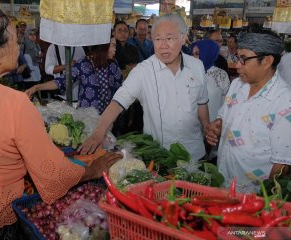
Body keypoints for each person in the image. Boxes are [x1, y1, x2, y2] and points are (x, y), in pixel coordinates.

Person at [0, 4, 122, 239]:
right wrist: (93, 170)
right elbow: (51, 174)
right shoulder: (15, 103)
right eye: (13, 39)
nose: (19, 45)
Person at [79, 15, 210, 162]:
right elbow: (117, 103)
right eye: (158, 39)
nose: (163, 45)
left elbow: (201, 103)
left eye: (169, 38)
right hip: (161, 159)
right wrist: (99, 132)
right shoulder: (143, 71)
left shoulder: (197, 66)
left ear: (183, 37)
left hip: (195, 154)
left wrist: (206, 126)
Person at [205, 32, 291, 193]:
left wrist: (267, 199)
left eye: (243, 59)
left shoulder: (284, 103)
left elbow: (282, 165)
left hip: (253, 196)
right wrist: (217, 125)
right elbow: (223, 116)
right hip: (223, 180)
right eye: (237, 58)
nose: (237, 65)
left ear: (267, 61)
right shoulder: (237, 84)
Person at [25, 37, 123, 115]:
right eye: (113, 45)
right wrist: (37, 87)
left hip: (107, 117)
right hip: (87, 118)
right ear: (104, 48)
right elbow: (60, 82)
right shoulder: (83, 64)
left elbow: (120, 89)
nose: (115, 49)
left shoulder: (113, 65)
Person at [190, 39, 230, 121]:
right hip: (191, 126)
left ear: (207, 53)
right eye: (192, 54)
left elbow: (226, 103)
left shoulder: (220, 75)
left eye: (197, 54)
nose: (193, 58)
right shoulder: (187, 72)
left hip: (213, 123)